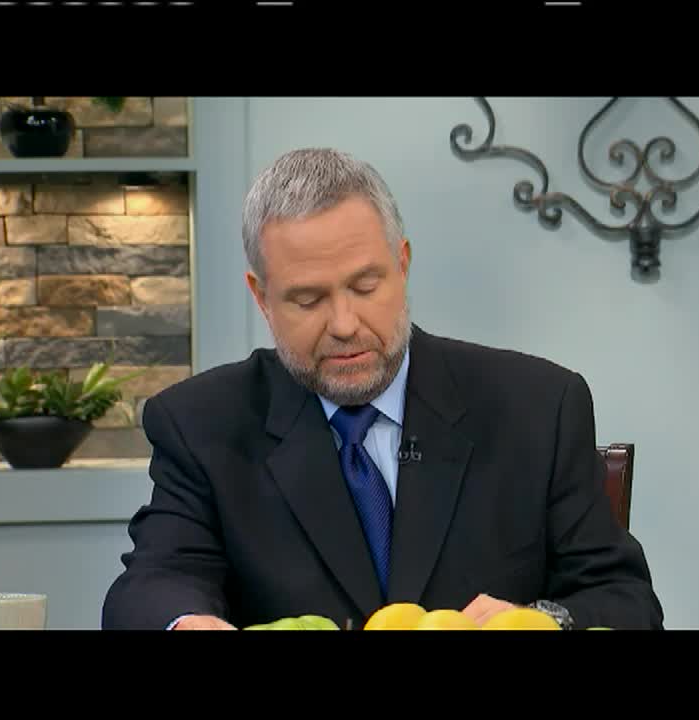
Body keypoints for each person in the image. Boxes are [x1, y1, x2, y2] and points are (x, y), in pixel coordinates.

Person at [102, 147, 664, 631]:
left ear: (403, 264)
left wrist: (538, 618)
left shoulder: (539, 407)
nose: (345, 323)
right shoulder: (202, 424)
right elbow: (154, 582)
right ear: (261, 297)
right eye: (307, 299)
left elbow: (625, 601)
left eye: (366, 285)